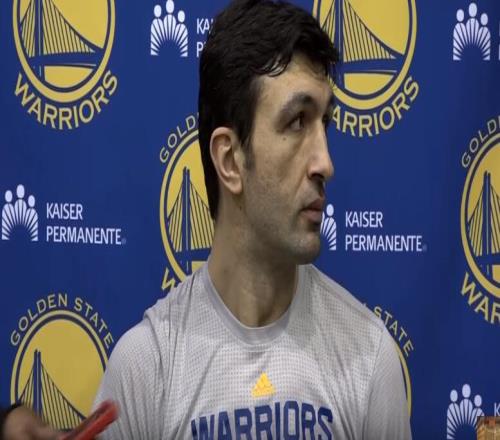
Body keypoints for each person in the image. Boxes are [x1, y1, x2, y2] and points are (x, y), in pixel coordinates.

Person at [94, 0, 412, 438]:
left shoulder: (369, 357)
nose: (325, 162)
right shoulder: (145, 370)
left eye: (324, 123)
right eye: (297, 122)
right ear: (230, 160)